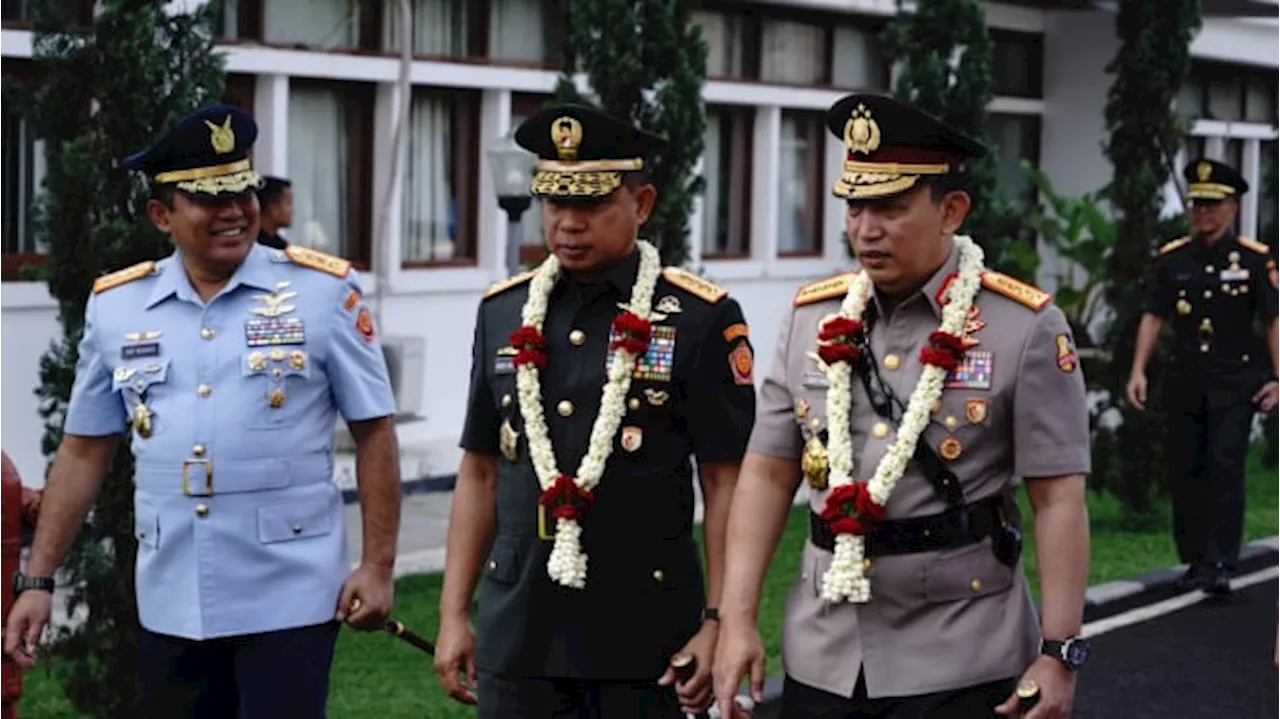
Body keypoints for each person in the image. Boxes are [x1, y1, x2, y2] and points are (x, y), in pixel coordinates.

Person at [0, 104, 403, 718]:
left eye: (242, 192)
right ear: (162, 215)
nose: (235, 211)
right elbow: (84, 448)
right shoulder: (119, 307)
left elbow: (374, 434)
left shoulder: (323, 293)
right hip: (173, 590)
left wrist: (376, 567)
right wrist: (39, 579)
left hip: (290, 585)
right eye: (209, 199)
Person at [711, 93, 1093, 719]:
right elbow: (767, 471)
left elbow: (1058, 499)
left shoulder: (1021, 327)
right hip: (823, 651)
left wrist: (1059, 649)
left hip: (963, 650)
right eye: (855, 206)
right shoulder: (811, 318)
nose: (867, 228)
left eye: (889, 207)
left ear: (952, 210)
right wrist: (736, 620)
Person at [433, 102, 757, 719]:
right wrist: (453, 613)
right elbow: (478, 469)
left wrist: (719, 618)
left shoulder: (697, 317)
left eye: (590, 205)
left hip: (644, 628)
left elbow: (726, 484)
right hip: (519, 623)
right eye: (556, 204)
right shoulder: (503, 311)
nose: (569, 225)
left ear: (642, 204)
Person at [1126, 158, 1280, 597]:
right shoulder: (1173, 259)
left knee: (1225, 466)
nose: (1203, 214)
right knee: (1187, 469)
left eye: (1212, 206)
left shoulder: (1254, 259)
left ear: (1232, 208)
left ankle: (1220, 560)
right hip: (1186, 381)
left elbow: (1273, 321)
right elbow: (1153, 316)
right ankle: (1193, 557)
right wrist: (1139, 369)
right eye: (1196, 205)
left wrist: (1278, 377)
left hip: (1236, 382)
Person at [257, 175, 293, 249]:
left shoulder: (281, 246)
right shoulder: (252, 246)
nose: (292, 210)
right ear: (272, 207)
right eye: (288, 203)